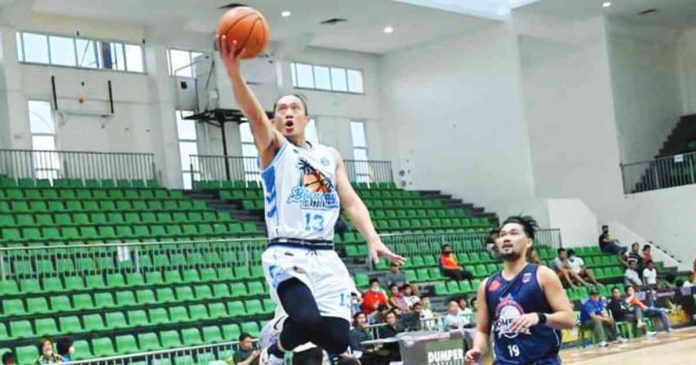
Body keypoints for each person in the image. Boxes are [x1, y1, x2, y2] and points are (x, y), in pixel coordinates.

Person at [219, 34, 405, 365]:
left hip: (326, 254)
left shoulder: (328, 156)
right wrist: (235, 74)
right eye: (281, 110)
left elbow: (350, 202)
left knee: (336, 338)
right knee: (305, 320)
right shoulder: (274, 149)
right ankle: (272, 354)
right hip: (287, 251)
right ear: (274, 120)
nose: (288, 113)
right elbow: (253, 115)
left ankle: (278, 342)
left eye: (295, 108)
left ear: (307, 118)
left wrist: (373, 238)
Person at [465, 216, 575, 365]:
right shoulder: (486, 285)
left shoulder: (543, 275)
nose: (506, 238)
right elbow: (482, 331)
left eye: (514, 233)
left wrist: (540, 317)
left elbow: (569, 319)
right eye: (503, 235)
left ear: (528, 242)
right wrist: (477, 349)